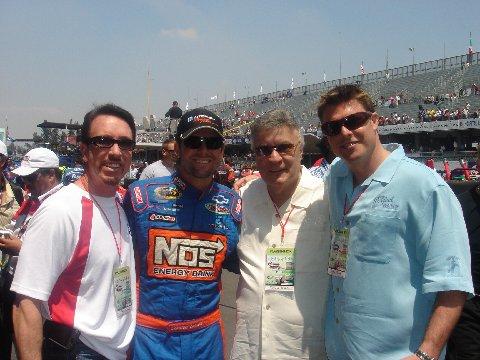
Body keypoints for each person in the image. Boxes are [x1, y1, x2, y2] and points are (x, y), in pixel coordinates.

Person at [317, 84, 473, 360]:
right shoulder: (336, 176)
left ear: (375, 121)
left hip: (398, 353)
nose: (345, 132)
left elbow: (453, 283)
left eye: (354, 121)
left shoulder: (424, 186)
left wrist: (427, 353)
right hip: (340, 348)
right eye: (333, 128)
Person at [11, 104, 137, 359]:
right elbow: (26, 304)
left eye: (124, 144)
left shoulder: (121, 204)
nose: (115, 152)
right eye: (103, 142)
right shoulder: (62, 210)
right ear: (84, 150)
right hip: (79, 350)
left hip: (119, 349)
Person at [125, 108, 241, 360]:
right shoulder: (139, 196)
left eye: (212, 143)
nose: (203, 150)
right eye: (193, 142)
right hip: (150, 336)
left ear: (221, 150)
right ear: (177, 148)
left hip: (205, 338)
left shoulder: (233, 203)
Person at [230, 109, 330, 359]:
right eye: (264, 150)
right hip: (250, 344)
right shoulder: (244, 197)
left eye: (284, 148)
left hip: (305, 347)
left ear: (300, 149)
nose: (274, 158)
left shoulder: (327, 198)